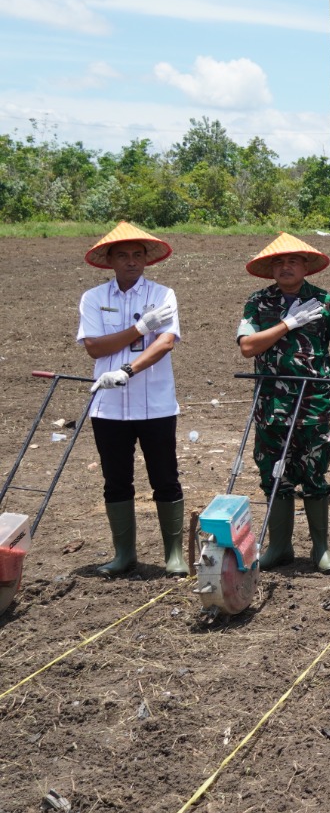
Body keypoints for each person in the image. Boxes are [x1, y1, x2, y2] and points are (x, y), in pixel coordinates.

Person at [237, 232, 330, 571]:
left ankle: (320, 549)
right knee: (275, 475)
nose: (285, 267)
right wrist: (287, 324)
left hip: (313, 406)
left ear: (306, 266)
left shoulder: (325, 302)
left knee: (315, 476)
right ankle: (280, 546)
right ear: (271, 268)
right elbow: (248, 346)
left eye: (293, 261)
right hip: (271, 407)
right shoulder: (258, 303)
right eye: (279, 261)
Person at [77, 222, 185, 576]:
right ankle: (124, 555)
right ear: (109, 260)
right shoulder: (94, 298)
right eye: (122, 255)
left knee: (165, 478)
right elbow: (95, 347)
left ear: (146, 260)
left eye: (137, 255)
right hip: (107, 407)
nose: (131, 261)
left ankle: (174, 554)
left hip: (155, 403)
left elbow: (165, 342)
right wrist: (140, 329)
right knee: (116, 480)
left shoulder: (163, 294)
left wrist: (128, 369)